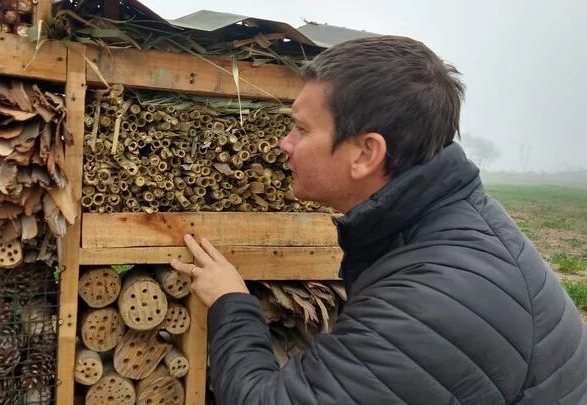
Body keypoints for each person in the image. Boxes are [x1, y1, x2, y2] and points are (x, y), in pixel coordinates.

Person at [170, 35, 587, 404]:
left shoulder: (424, 305)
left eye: (300, 129)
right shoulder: (450, 224)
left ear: (367, 153)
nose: (284, 143)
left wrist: (231, 302)